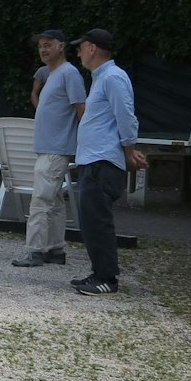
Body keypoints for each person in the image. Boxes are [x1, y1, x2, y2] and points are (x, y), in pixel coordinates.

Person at [70, 28, 148, 295]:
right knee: (90, 219)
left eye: (80, 47)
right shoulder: (101, 78)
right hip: (93, 158)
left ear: (91, 48)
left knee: (98, 219)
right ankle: (98, 272)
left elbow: (125, 115)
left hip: (102, 159)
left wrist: (129, 149)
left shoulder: (113, 77)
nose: (78, 53)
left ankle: (107, 278)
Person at [13, 29, 87, 267]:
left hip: (56, 147)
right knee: (53, 201)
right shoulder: (51, 74)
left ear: (61, 46)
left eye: (48, 45)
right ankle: (55, 249)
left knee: (40, 200)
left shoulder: (69, 74)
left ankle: (34, 250)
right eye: (41, 46)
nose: (43, 50)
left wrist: (84, 142)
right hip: (49, 146)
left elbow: (81, 110)